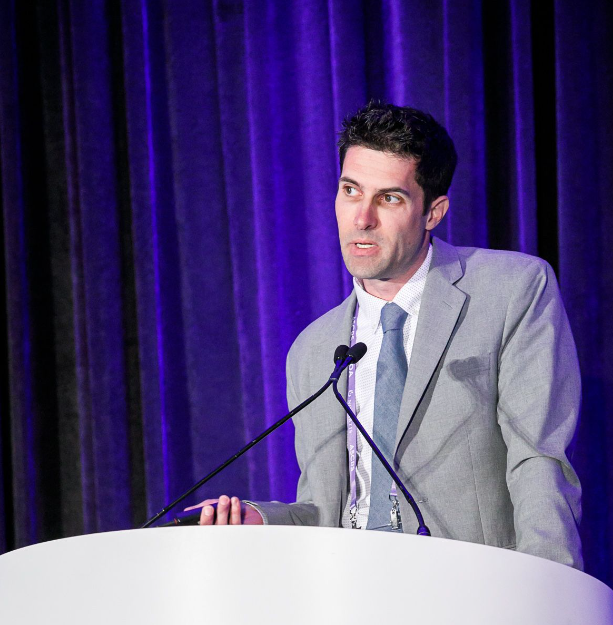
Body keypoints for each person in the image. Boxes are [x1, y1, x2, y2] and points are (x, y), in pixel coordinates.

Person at [188, 102, 583, 569]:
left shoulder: (510, 291)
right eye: (350, 190)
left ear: (433, 212)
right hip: (355, 589)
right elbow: (329, 512)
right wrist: (262, 520)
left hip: (471, 586)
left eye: (389, 198)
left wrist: (548, 588)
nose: (362, 218)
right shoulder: (315, 350)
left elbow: (539, 462)